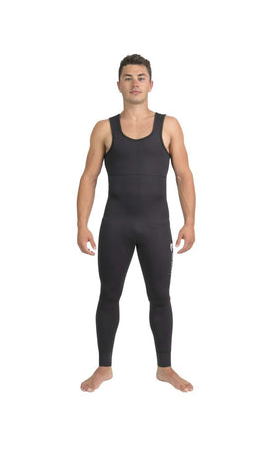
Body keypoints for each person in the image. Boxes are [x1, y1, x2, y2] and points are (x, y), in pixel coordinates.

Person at [77, 54, 196, 392]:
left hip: (156, 226)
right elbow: (89, 177)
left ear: (151, 84)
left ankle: (165, 368)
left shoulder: (169, 126)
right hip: (116, 225)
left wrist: (189, 222)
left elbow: (184, 175)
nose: (135, 84)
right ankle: (103, 367)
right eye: (128, 78)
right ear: (118, 85)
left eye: (141, 78)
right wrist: (82, 225)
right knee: (108, 295)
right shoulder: (104, 128)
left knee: (160, 297)